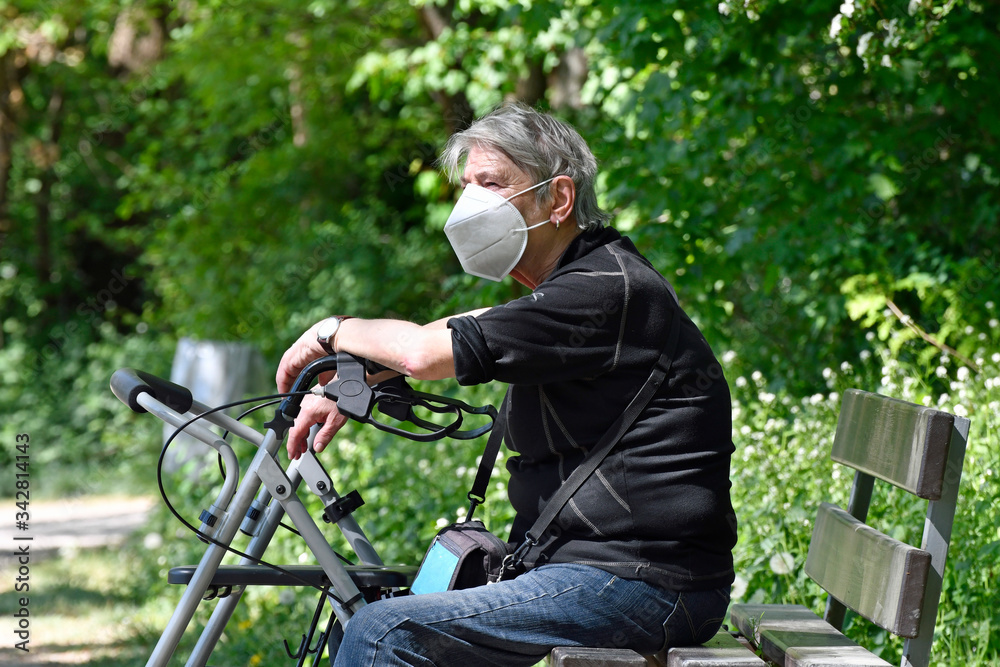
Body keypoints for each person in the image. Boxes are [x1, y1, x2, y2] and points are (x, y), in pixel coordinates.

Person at [276, 103, 737, 666]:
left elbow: (424, 352)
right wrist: (343, 386)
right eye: (467, 185)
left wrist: (332, 332)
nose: (471, 203)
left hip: (646, 585)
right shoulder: (575, 287)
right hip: (597, 571)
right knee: (383, 608)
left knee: (382, 631)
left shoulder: (606, 291)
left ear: (558, 199)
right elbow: (449, 334)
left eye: (491, 183)